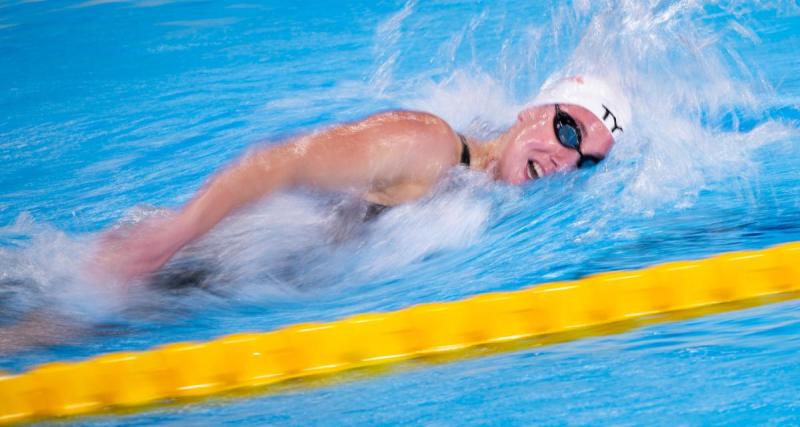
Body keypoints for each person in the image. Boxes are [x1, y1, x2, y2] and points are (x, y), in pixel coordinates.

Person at [93, 75, 631, 282]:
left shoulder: (481, 184)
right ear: (527, 113)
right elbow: (281, 161)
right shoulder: (429, 143)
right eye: (566, 129)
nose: (567, 160)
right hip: (188, 267)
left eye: (586, 160)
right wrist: (178, 232)